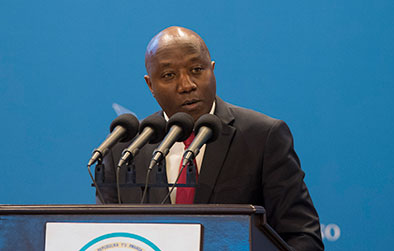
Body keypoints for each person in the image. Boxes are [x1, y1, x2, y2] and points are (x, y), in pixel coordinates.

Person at [98, 26, 324, 251]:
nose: (187, 85)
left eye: (197, 69)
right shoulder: (125, 149)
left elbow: (304, 238)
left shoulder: (262, 136)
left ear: (212, 69)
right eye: (169, 75)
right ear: (150, 85)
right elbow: (106, 236)